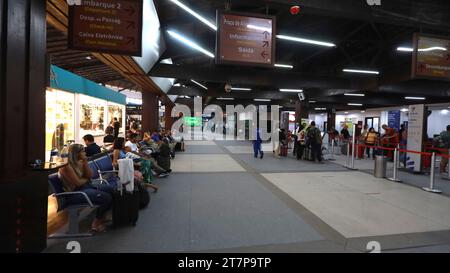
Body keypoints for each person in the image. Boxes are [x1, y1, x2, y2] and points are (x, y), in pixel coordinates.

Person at [58, 144, 113, 232]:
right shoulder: (66, 166)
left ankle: (102, 217)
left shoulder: (80, 162)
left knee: (111, 190)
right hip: (74, 194)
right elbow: (78, 183)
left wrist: (85, 162)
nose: (85, 153)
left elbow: (90, 176)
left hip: (85, 188)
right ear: (76, 153)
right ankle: (96, 223)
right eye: (83, 151)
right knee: (106, 197)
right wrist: (86, 179)